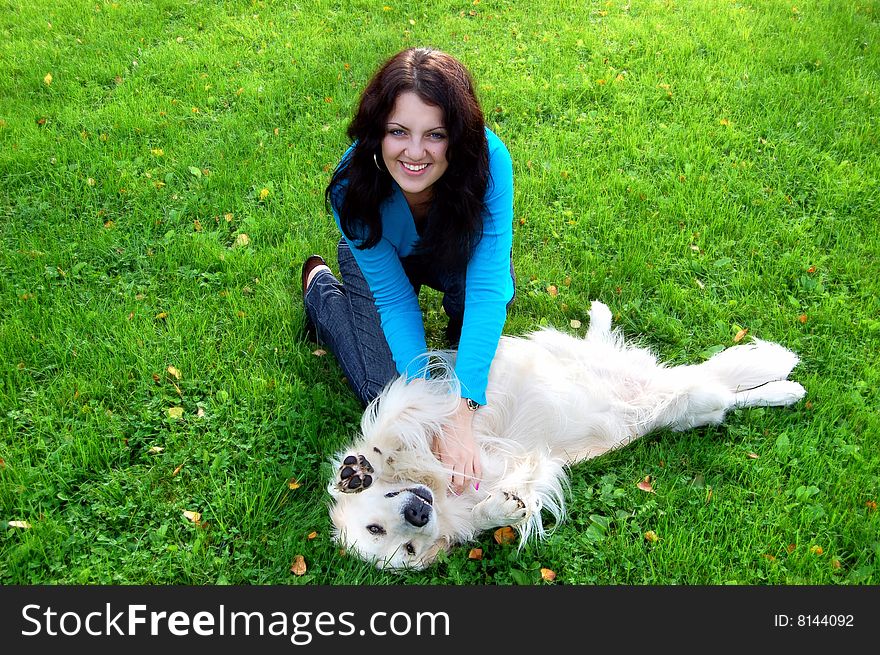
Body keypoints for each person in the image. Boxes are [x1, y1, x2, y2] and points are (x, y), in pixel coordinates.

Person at [301, 47, 514, 495]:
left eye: (434, 135)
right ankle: (322, 291)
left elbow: (488, 286)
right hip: (383, 260)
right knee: (386, 394)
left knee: (474, 330)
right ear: (377, 130)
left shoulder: (489, 162)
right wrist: (424, 407)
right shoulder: (351, 186)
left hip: (455, 252)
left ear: (456, 136)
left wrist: (461, 408)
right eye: (398, 131)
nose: (415, 153)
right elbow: (396, 299)